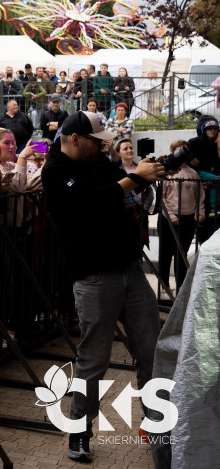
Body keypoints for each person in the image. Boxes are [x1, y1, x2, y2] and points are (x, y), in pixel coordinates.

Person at [40, 111, 165, 462]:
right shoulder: (55, 170)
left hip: (130, 268)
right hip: (94, 275)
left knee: (152, 349)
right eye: (97, 141)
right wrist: (134, 179)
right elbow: (89, 204)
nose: (103, 146)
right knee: (94, 359)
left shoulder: (100, 161)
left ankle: (157, 425)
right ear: (76, 139)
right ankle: (79, 430)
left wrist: (146, 174)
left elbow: (122, 184)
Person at [158, 140, 206, 292]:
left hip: (187, 218)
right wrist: (171, 215)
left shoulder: (193, 174)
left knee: (182, 253)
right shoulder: (167, 174)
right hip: (168, 219)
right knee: (165, 253)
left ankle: (181, 287)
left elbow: (200, 196)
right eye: (177, 151)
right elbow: (162, 198)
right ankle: (164, 287)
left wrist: (200, 212)